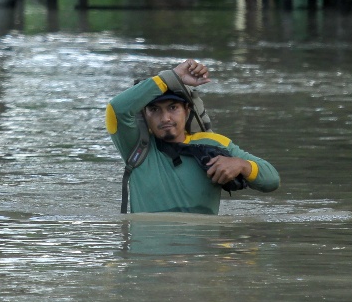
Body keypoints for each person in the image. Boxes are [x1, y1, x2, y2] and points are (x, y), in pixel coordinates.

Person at [106, 59, 280, 214]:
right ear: (144, 115)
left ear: (187, 110)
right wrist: (173, 76)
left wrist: (242, 166)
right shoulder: (137, 147)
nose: (165, 118)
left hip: (201, 249)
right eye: (154, 109)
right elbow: (116, 109)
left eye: (173, 107)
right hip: (149, 248)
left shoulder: (213, 144)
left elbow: (272, 180)